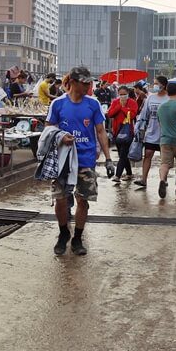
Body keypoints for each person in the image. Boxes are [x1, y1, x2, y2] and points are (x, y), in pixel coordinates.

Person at [46, 67, 114, 256]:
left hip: (86, 159)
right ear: (73, 82)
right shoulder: (58, 104)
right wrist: (60, 137)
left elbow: (101, 131)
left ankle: (77, 237)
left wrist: (109, 159)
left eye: (89, 83)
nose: (88, 86)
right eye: (84, 83)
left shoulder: (93, 104)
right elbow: (48, 129)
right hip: (62, 160)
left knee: (83, 200)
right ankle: (63, 233)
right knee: (60, 199)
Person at [134, 76, 169, 189]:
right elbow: (144, 114)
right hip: (151, 132)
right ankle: (144, 179)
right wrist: (138, 127)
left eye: (156, 83)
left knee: (164, 159)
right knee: (148, 154)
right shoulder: (150, 98)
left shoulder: (169, 99)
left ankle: (163, 180)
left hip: (165, 134)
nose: (154, 86)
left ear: (163, 85)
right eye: (153, 83)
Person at [106, 86, 139, 183]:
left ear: (128, 93)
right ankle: (129, 173)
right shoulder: (115, 102)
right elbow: (110, 114)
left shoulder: (132, 102)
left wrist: (124, 108)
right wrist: (119, 106)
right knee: (122, 154)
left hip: (128, 132)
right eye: (120, 94)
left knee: (123, 154)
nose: (122, 96)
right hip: (117, 132)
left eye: (124, 94)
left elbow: (132, 115)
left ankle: (117, 175)